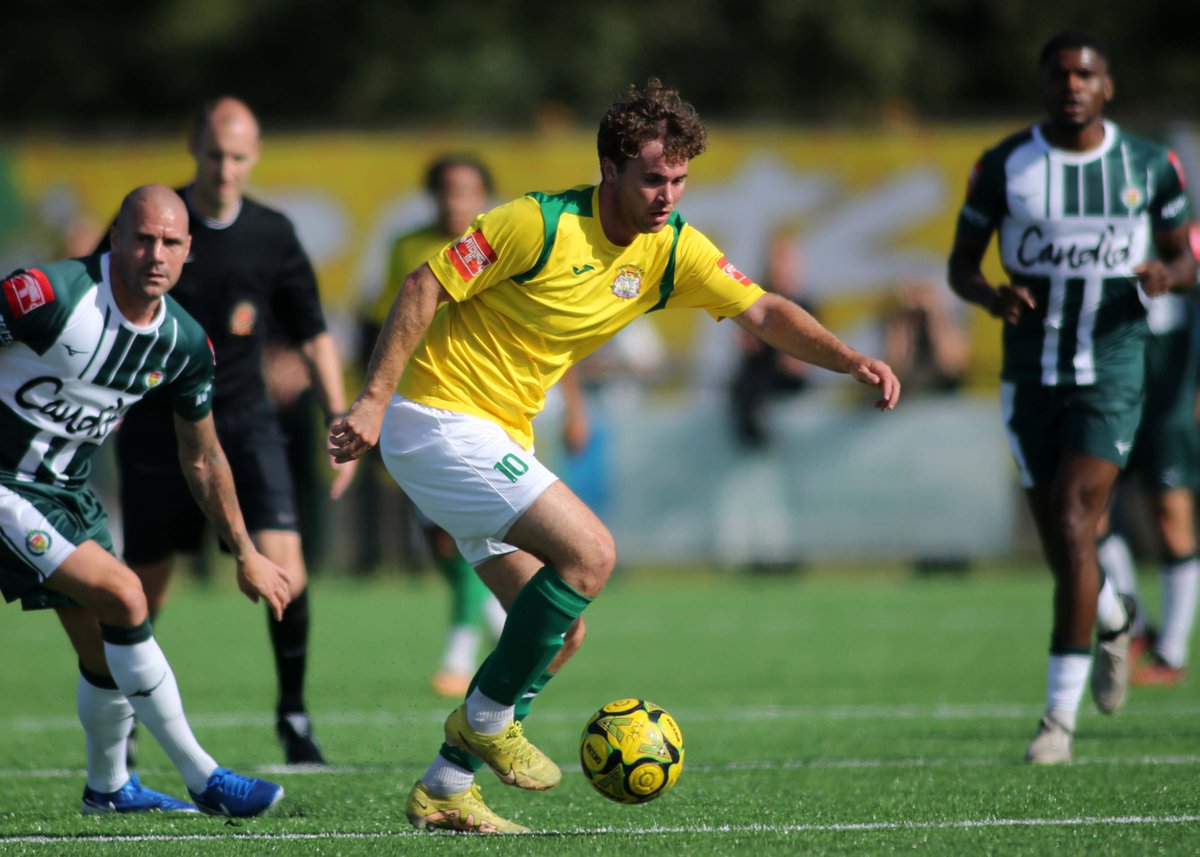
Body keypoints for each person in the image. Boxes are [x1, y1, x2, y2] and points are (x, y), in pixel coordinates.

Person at [331, 78, 900, 834]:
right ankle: (487, 722)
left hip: (496, 435)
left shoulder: (673, 250)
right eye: (653, 178)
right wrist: (371, 400)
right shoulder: (537, 223)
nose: (667, 194)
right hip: (436, 418)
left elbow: (761, 308)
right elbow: (420, 285)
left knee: (560, 633)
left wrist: (848, 357)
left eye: (679, 179)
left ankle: (445, 786)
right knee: (592, 553)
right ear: (610, 169)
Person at [947, 31, 1196, 765]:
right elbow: (961, 267)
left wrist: (1167, 276)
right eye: (1060, 73)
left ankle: (1058, 719)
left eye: (1086, 74)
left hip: (1114, 367)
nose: (1073, 84)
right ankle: (1116, 614)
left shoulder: (1149, 164)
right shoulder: (1005, 166)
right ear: (1044, 84)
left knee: (1075, 515)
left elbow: (1187, 253)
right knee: (1067, 545)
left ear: (1107, 87)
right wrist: (992, 296)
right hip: (1030, 373)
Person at [2, 185, 287, 816]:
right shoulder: (49, 296)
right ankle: (204, 776)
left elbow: (205, 457)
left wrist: (245, 551)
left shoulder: (184, 344)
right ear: (117, 238)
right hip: (5, 484)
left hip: (66, 495)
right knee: (127, 595)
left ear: (188, 253)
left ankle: (108, 787)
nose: (155, 253)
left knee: (102, 648)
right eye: (142, 237)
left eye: (170, 242)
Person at [99, 97, 356, 765]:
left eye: (238, 156)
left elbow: (313, 333)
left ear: (255, 154)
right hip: (158, 429)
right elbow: (99, 300)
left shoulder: (272, 233)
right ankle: (122, 720)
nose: (224, 168)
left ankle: (294, 717)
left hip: (244, 426)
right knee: (140, 591)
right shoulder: (155, 222)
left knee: (286, 573)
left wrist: (341, 417)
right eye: (214, 154)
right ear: (195, 147)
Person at [364, 156, 507, 697]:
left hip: (477, 404)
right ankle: (498, 620)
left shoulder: (498, 244)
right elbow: (381, 322)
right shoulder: (408, 246)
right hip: (414, 405)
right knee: (441, 541)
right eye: (446, 191)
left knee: (466, 528)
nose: (455, 202)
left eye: (467, 191)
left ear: (484, 197)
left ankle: (459, 651)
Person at [1096, 222, 1200, 686]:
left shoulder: (1182, 235)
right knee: (1089, 512)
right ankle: (1137, 625)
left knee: (1169, 515)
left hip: (1168, 394)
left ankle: (1171, 654)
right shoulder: (1095, 225)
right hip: (1108, 385)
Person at [729, 233, 817, 449]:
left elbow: (796, 366)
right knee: (745, 388)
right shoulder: (757, 300)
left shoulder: (805, 304)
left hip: (785, 380)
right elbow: (748, 346)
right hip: (760, 374)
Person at [879, 279, 969, 397]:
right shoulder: (896, 324)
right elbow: (896, 367)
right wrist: (904, 326)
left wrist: (934, 319)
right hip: (907, 396)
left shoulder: (949, 324)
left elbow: (951, 368)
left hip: (943, 398)